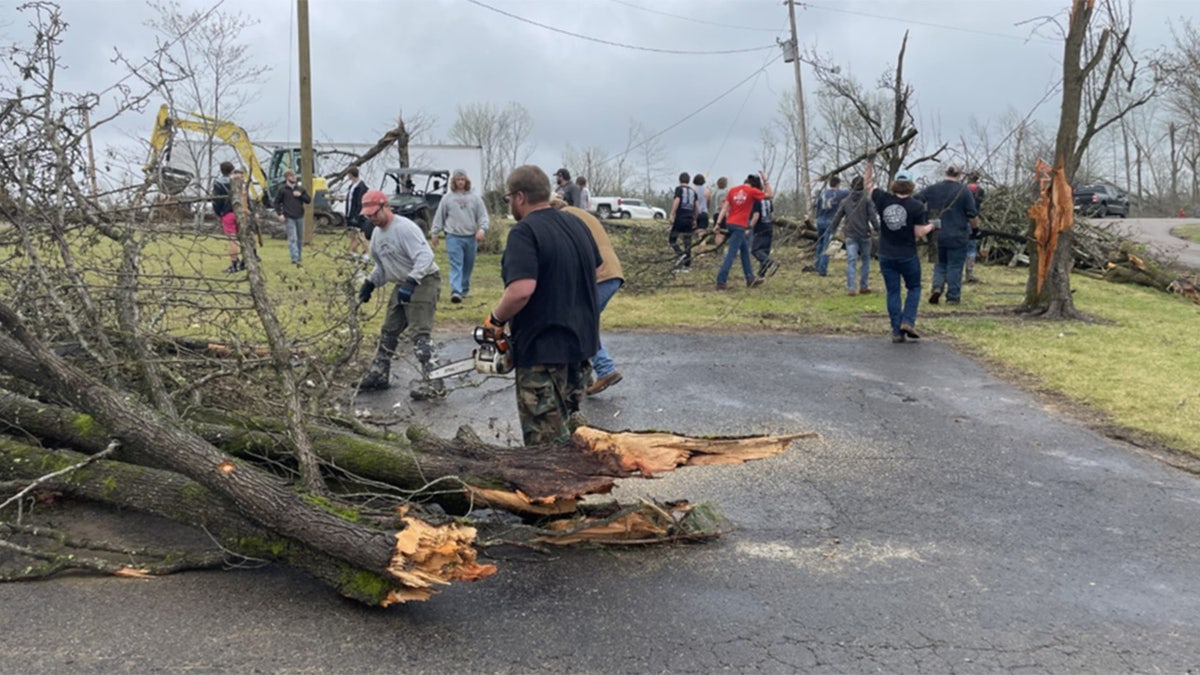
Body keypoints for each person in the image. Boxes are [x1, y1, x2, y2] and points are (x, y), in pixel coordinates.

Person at [485, 165, 600, 445]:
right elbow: (595, 272)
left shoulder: (524, 232)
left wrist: (496, 320)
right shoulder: (576, 223)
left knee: (544, 446)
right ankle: (575, 484)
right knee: (572, 431)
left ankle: (551, 488)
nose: (510, 204)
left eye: (508, 198)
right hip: (579, 346)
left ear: (520, 197)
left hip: (542, 350)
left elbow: (521, 290)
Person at [355, 189, 444, 399]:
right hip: (402, 282)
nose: (372, 219)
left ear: (385, 207)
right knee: (389, 330)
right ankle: (379, 373)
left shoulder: (405, 228)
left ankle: (435, 382)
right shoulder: (377, 234)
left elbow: (425, 256)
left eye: (374, 214)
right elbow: (383, 266)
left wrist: (412, 282)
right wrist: (370, 283)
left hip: (423, 280)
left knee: (419, 334)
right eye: (368, 216)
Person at [549, 194, 624, 396]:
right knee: (582, 322)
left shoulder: (563, 218)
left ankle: (604, 369)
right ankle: (583, 375)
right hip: (612, 272)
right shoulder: (579, 213)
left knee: (578, 323)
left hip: (599, 275)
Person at [866, 162, 935, 343]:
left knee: (893, 292)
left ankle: (896, 330)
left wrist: (869, 162)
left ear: (894, 184)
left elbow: (868, 184)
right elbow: (919, 232)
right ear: (911, 186)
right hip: (907, 254)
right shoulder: (917, 206)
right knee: (914, 288)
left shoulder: (882, 199)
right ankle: (908, 321)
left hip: (886, 254)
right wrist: (933, 225)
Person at [919, 165, 979, 305]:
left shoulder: (932, 189)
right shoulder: (963, 191)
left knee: (939, 264)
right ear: (959, 174)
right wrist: (975, 230)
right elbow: (972, 214)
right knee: (955, 266)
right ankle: (952, 297)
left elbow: (916, 200)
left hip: (935, 233)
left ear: (945, 172)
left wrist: (923, 220)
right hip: (957, 234)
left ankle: (937, 287)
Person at [430, 169, 489, 304]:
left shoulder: (475, 198)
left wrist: (482, 229)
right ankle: (456, 291)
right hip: (453, 236)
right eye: (458, 180)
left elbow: (483, 215)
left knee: (468, 265)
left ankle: (464, 289)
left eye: (462, 179)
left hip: (470, 237)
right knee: (456, 264)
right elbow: (440, 216)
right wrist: (435, 232)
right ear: (454, 182)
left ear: (466, 181)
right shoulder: (447, 199)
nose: (460, 182)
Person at [714, 172, 773, 290]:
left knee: (745, 252)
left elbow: (725, 208)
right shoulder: (752, 191)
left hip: (730, 223)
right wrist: (765, 179)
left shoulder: (732, 190)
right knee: (731, 254)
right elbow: (770, 195)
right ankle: (721, 280)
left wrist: (718, 223)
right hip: (740, 226)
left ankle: (750, 278)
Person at [830, 175, 880, 295]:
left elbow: (837, 217)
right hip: (864, 234)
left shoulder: (845, 201)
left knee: (851, 261)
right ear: (862, 187)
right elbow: (872, 217)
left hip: (850, 235)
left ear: (851, 187)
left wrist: (831, 230)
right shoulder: (867, 201)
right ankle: (863, 286)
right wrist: (878, 229)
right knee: (866, 260)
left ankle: (851, 288)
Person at [810, 176, 850, 276]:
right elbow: (852, 191)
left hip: (820, 221)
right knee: (827, 246)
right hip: (831, 222)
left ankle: (817, 265)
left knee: (820, 243)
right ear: (838, 184)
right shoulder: (840, 193)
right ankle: (822, 270)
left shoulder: (823, 193)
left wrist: (817, 219)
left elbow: (818, 208)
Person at [273, 169, 310, 266]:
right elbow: (276, 202)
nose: (294, 177)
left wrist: (301, 195)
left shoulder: (300, 188)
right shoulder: (282, 190)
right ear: (287, 178)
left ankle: (299, 256)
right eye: (291, 176)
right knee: (292, 238)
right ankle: (295, 258)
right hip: (289, 217)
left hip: (300, 216)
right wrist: (279, 214)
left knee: (300, 238)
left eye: (294, 175)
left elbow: (308, 200)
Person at [212, 161, 242, 274]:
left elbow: (217, 200)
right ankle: (246, 260)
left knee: (232, 239)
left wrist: (218, 212)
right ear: (232, 169)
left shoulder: (218, 183)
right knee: (243, 237)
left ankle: (234, 263)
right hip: (240, 212)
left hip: (228, 213)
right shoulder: (238, 180)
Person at [667, 172, 699, 271]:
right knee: (687, 241)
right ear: (688, 180)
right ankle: (687, 265)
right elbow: (697, 206)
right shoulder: (693, 192)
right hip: (689, 218)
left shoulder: (679, 189)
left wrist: (672, 214)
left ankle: (681, 254)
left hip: (680, 217)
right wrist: (695, 218)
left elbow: (677, 200)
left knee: (672, 239)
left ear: (679, 180)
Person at [749, 191, 778, 280]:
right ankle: (761, 275)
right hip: (769, 227)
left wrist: (749, 227)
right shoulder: (768, 201)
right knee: (764, 252)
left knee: (755, 250)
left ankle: (770, 263)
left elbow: (756, 215)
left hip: (760, 228)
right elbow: (772, 216)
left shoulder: (756, 200)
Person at [344, 166, 370, 259]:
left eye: (348, 174)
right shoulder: (352, 186)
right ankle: (353, 252)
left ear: (351, 175)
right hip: (350, 213)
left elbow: (359, 203)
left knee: (361, 235)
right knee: (351, 234)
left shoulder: (361, 187)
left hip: (358, 215)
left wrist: (357, 215)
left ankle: (366, 252)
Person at [965, 172, 986, 283]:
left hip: (960, 221)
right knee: (972, 247)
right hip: (974, 219)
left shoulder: (961, 189)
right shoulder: (980, 191)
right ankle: (969, 273)